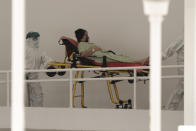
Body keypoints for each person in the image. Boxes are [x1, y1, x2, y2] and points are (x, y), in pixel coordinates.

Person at [75, 28, 149, 65]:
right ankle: (140, 61)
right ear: (82, 36)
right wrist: (95, 49)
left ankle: (140, 61)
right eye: (86, 35)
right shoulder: (81, 44)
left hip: (103, 56)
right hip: (100, 59)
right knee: (120, 58)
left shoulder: (86, 44)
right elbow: (82, 55)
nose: (87, 36)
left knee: (122, 56)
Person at [25, 32, 52, 107]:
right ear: (29, 40)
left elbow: (46, 59)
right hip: (22, 78)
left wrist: (51, 65)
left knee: (38, 97)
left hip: (34, 78)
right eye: (34, 39)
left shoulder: (39, 51)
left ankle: (37, 115)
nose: (36, 40)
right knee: (24, 100)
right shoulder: (24, 50)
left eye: (37, 38)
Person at [162, 35, 184, 110]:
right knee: (181, 88)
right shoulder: (183, 39)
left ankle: (169, 110)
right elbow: (168, 51)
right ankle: (169, 110)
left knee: (181, 88)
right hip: (185, 71)